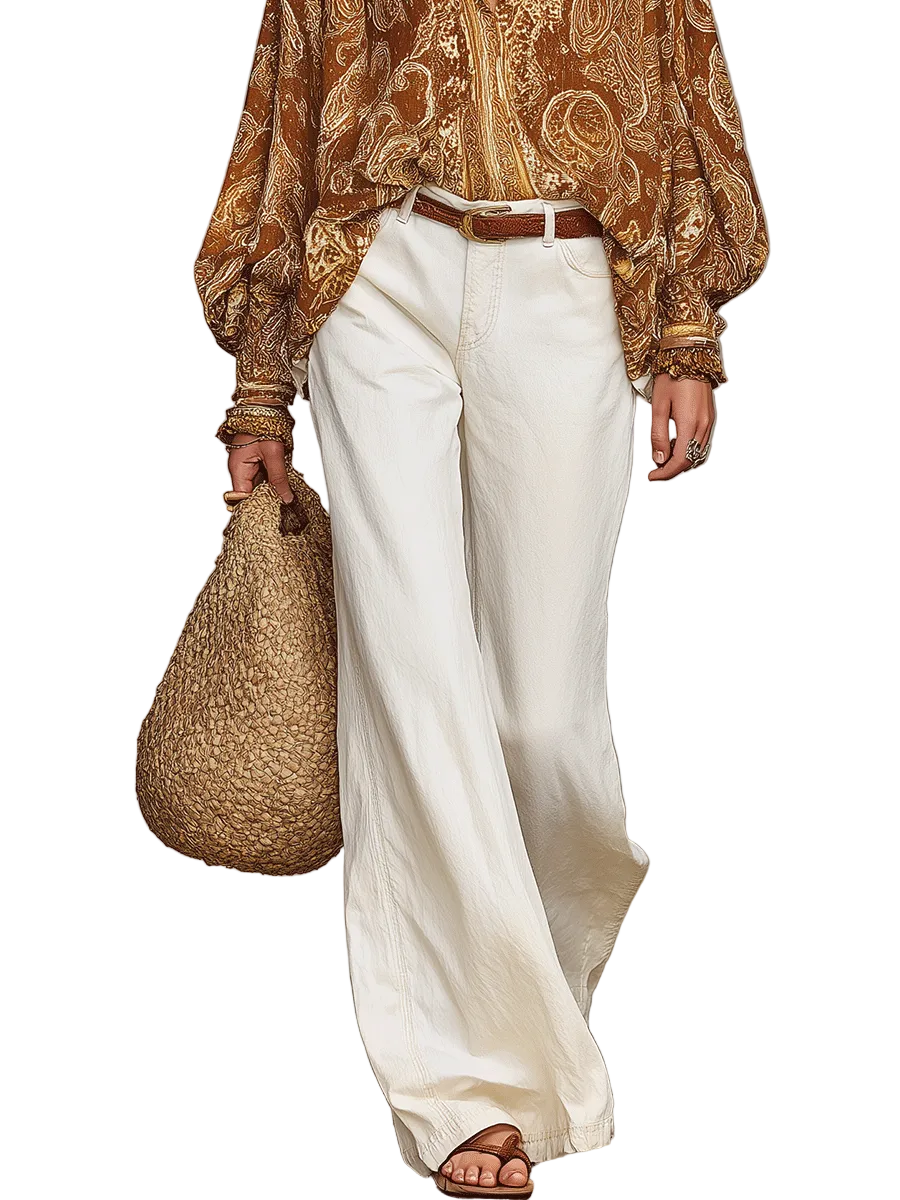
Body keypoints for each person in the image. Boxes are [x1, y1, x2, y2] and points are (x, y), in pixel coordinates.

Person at [195, 0, 768, 1193]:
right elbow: (290, 96)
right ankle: (462, 1088)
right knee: (412, 680)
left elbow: (681, 77)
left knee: (544, 720)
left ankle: (523, 1021)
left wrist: (686, 331)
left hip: (569, 274)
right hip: (377, 274)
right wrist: (260, 387)